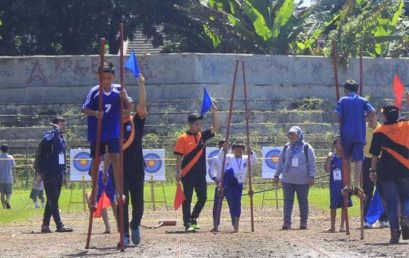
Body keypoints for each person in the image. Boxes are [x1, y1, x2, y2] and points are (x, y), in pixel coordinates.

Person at [82, 61, 130, 209]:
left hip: (114, 131)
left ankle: (118, 191)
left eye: (109, 78)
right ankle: (94, 192)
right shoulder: (95, 92)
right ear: (99, 78)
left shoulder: (119, 90)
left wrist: (126, 97)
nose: (106, 81)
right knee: (97, 161)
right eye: (103, 79)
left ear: (114, 77)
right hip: (98, 133)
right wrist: (95, 113)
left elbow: (129, 108)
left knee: (116, 159)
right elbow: (84, 109)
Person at [369, 104, 409, 244]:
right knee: (406, 198)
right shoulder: (406, 125)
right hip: (405, 169)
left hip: (386, 172)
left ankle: (394, 233)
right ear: (398, 115)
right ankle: (406, 217)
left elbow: (374, 154)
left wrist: (372, 170)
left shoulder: (379, 131)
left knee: (391, 204)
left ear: (385, 115)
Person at [174, 107, 219, 232]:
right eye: (196, 124)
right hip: (187, 173)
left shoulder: (202, 136)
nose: (199, 127)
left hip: (200, 173)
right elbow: (178, 156)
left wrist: (214, 113)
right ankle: (187, 222)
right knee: (187, 199)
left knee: (203, 197)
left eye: (200, 124)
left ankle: (194, 217)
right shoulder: (182, 138)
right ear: (190, 124)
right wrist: (178, 172)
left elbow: (215, 128)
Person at [121, 74, 147, 247]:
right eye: (121, 106)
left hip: (137, 168)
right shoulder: (112, 124)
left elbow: (143, 106)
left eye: (126, 105)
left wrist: (141, 85)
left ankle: (134, 225)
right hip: (120, 169)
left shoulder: (136, 121)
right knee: (122, 202)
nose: (124, 108)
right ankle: (124, 233)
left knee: (139, 204)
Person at [274, 126, 316, 230]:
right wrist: (276, 175)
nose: (292, 136)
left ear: (299, 135)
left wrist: (311, 176)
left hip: (302, 180)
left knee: (303, 201)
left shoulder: (307, 148)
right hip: (287, 180)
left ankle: (303, 222)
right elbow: (280, 162)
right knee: (287, 201)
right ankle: (287, 222)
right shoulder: (286, 147)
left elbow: (312, 163)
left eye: (294, 134)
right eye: (290, 134)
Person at [335, 80, 376, 190]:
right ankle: (357, 184)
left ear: (346, 90)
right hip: (359, 133)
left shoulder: (342, 100)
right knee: (358, 159)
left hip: (346, 134)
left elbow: (338, 115)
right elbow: (372, 111)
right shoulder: (363, 100)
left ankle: (349, 184)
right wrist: (364, 117)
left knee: (347, 158)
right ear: (357, 90)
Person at [40, 116, 73, 233]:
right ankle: (59, 225)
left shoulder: (62, 138)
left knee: (52, 199)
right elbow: (46, 143)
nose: (63, 126)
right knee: (53, 200)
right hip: (49, 173)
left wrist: (64, 172)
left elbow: (62, 157)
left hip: (59, 174)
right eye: (61, 124)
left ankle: (45, 225)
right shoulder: (49, 135)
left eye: (64, 124)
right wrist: (55, 131)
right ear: (55, 125)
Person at [218, 141, 257, 232]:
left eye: (240, 151)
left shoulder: (246, 158)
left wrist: (251, 152)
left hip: (239, 183)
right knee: (231, 202)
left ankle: (236, 223)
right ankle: (234, 222)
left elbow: (254, 162)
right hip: (229, 183)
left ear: (243, 151)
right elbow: (220, 157)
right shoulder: (229, 157)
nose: (238, 152)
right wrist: (224, 148)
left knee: (237, 203)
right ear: (233, 150)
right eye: (236, 150)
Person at [363, 113, 388, 229]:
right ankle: (367, 218)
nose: (371, 118)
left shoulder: (382, 129)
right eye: (368, 116)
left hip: (380, 160)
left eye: (372, 116)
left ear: (376, 117)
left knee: (382, 190)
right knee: (367, 191)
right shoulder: (363, 129)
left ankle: (384, 218)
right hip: (367, 160)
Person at [324, 137, 352, 233]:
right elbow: (327, 169)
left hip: (344, 184)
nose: (342, 146)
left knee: (345, 205)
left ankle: (342, 225)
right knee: (333, 206)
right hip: (334, 185)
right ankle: (332, 226)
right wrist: (328, 157)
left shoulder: (346, 157)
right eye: (340, 143)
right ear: (335, 145)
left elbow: (349, 171)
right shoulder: (332, 157)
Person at [209, 140, 225, 232]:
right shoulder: (215, 158)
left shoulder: (231, 157)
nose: (225, 148)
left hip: (229, 185)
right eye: (222, 147)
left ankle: (235, 224)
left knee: (234, 204)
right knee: (217, 205)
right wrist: (215, 179)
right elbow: (211, 170)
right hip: (219, 184)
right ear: (219, 147)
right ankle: (216, 225)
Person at [0, 144, 16, 209]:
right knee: (9, 192)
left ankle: (4, 206)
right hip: (9, 178)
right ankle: (7, 201)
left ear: (1, 150)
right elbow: (13, 168)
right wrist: (15, 177)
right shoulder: (11, 157)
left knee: (2, 193)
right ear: (8, 149)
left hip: (0, 178)